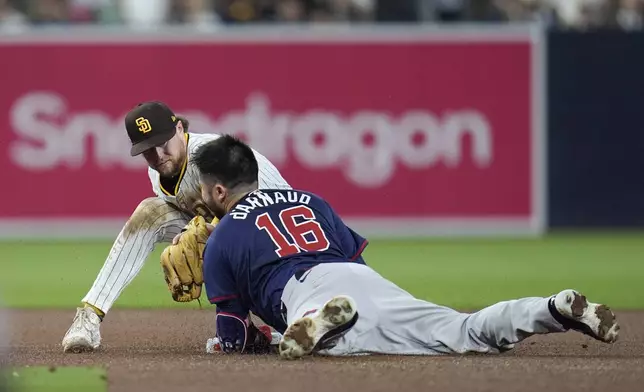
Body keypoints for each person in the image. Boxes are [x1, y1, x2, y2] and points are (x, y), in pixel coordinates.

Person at [194, 135, 620, 359]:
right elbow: (357, 261)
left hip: (304, 292)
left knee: (339, 344)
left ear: (217, 190)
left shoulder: (222, 237)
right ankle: (551, 309)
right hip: (361, 279)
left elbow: (231, 337)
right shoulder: (310, 200)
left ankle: (318, 325)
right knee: (463, 331)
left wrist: (250, 338)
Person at [61, 102, 291, 353]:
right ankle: (89, 317)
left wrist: (209, 235)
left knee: (293, 322)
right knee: (150, 213)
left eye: (163, 143)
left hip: (280, 238)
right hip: (238, 237)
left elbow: (257, 206)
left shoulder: (216, 156)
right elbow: (199, 222)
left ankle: (282, 322)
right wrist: (191, 237)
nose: (158, 155)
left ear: (179, 129)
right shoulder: (158, 173)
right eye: (148, 150)